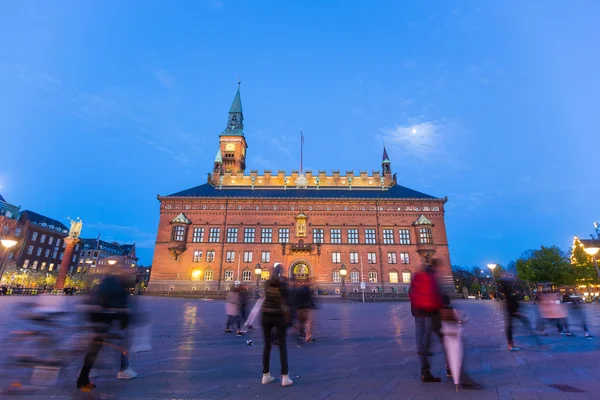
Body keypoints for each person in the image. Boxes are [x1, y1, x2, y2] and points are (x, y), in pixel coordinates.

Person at [76, 270, 138, 391]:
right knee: (121, 345)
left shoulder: (108, 282)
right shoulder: (118, 286)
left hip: (96, 319)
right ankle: (123, 369)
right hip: (105, 320)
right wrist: (126, 320)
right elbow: (121, 308)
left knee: (95, 348)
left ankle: (83, 377)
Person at [409, 262, 443, 382]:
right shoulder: (430, 278)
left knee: (424, 335)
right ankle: (454, 369)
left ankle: (425, 370)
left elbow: (411, 293)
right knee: (442, 339)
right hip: (431, 312)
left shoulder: (417, 277)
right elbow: (436, 296)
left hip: (419, 310)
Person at [439, 294, 482, 390]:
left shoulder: (439, 312)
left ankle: (452, 372)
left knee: (449, 354)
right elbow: (461, 320)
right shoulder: (452, 311)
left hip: (444, 336)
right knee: (458, 357)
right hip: (454, 337)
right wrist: (467, 316)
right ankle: (463, 379)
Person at [261, 263, 293, 387]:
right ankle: (285, 377)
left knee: (267, 345)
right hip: (279, 316)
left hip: (266, 315)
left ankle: (265, 375)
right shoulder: (283, 285)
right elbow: (288, 302)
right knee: (282, 346)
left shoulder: (267, 283)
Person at [501, 280, 540, 351]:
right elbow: (511, 301)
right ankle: (538, 343)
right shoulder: (509, 290)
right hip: (513, 311)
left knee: (511, 326)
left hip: (513, 311)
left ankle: (510, 344)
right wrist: (515, 311)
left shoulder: (509, 290)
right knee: (520, 325)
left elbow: (513, 300)